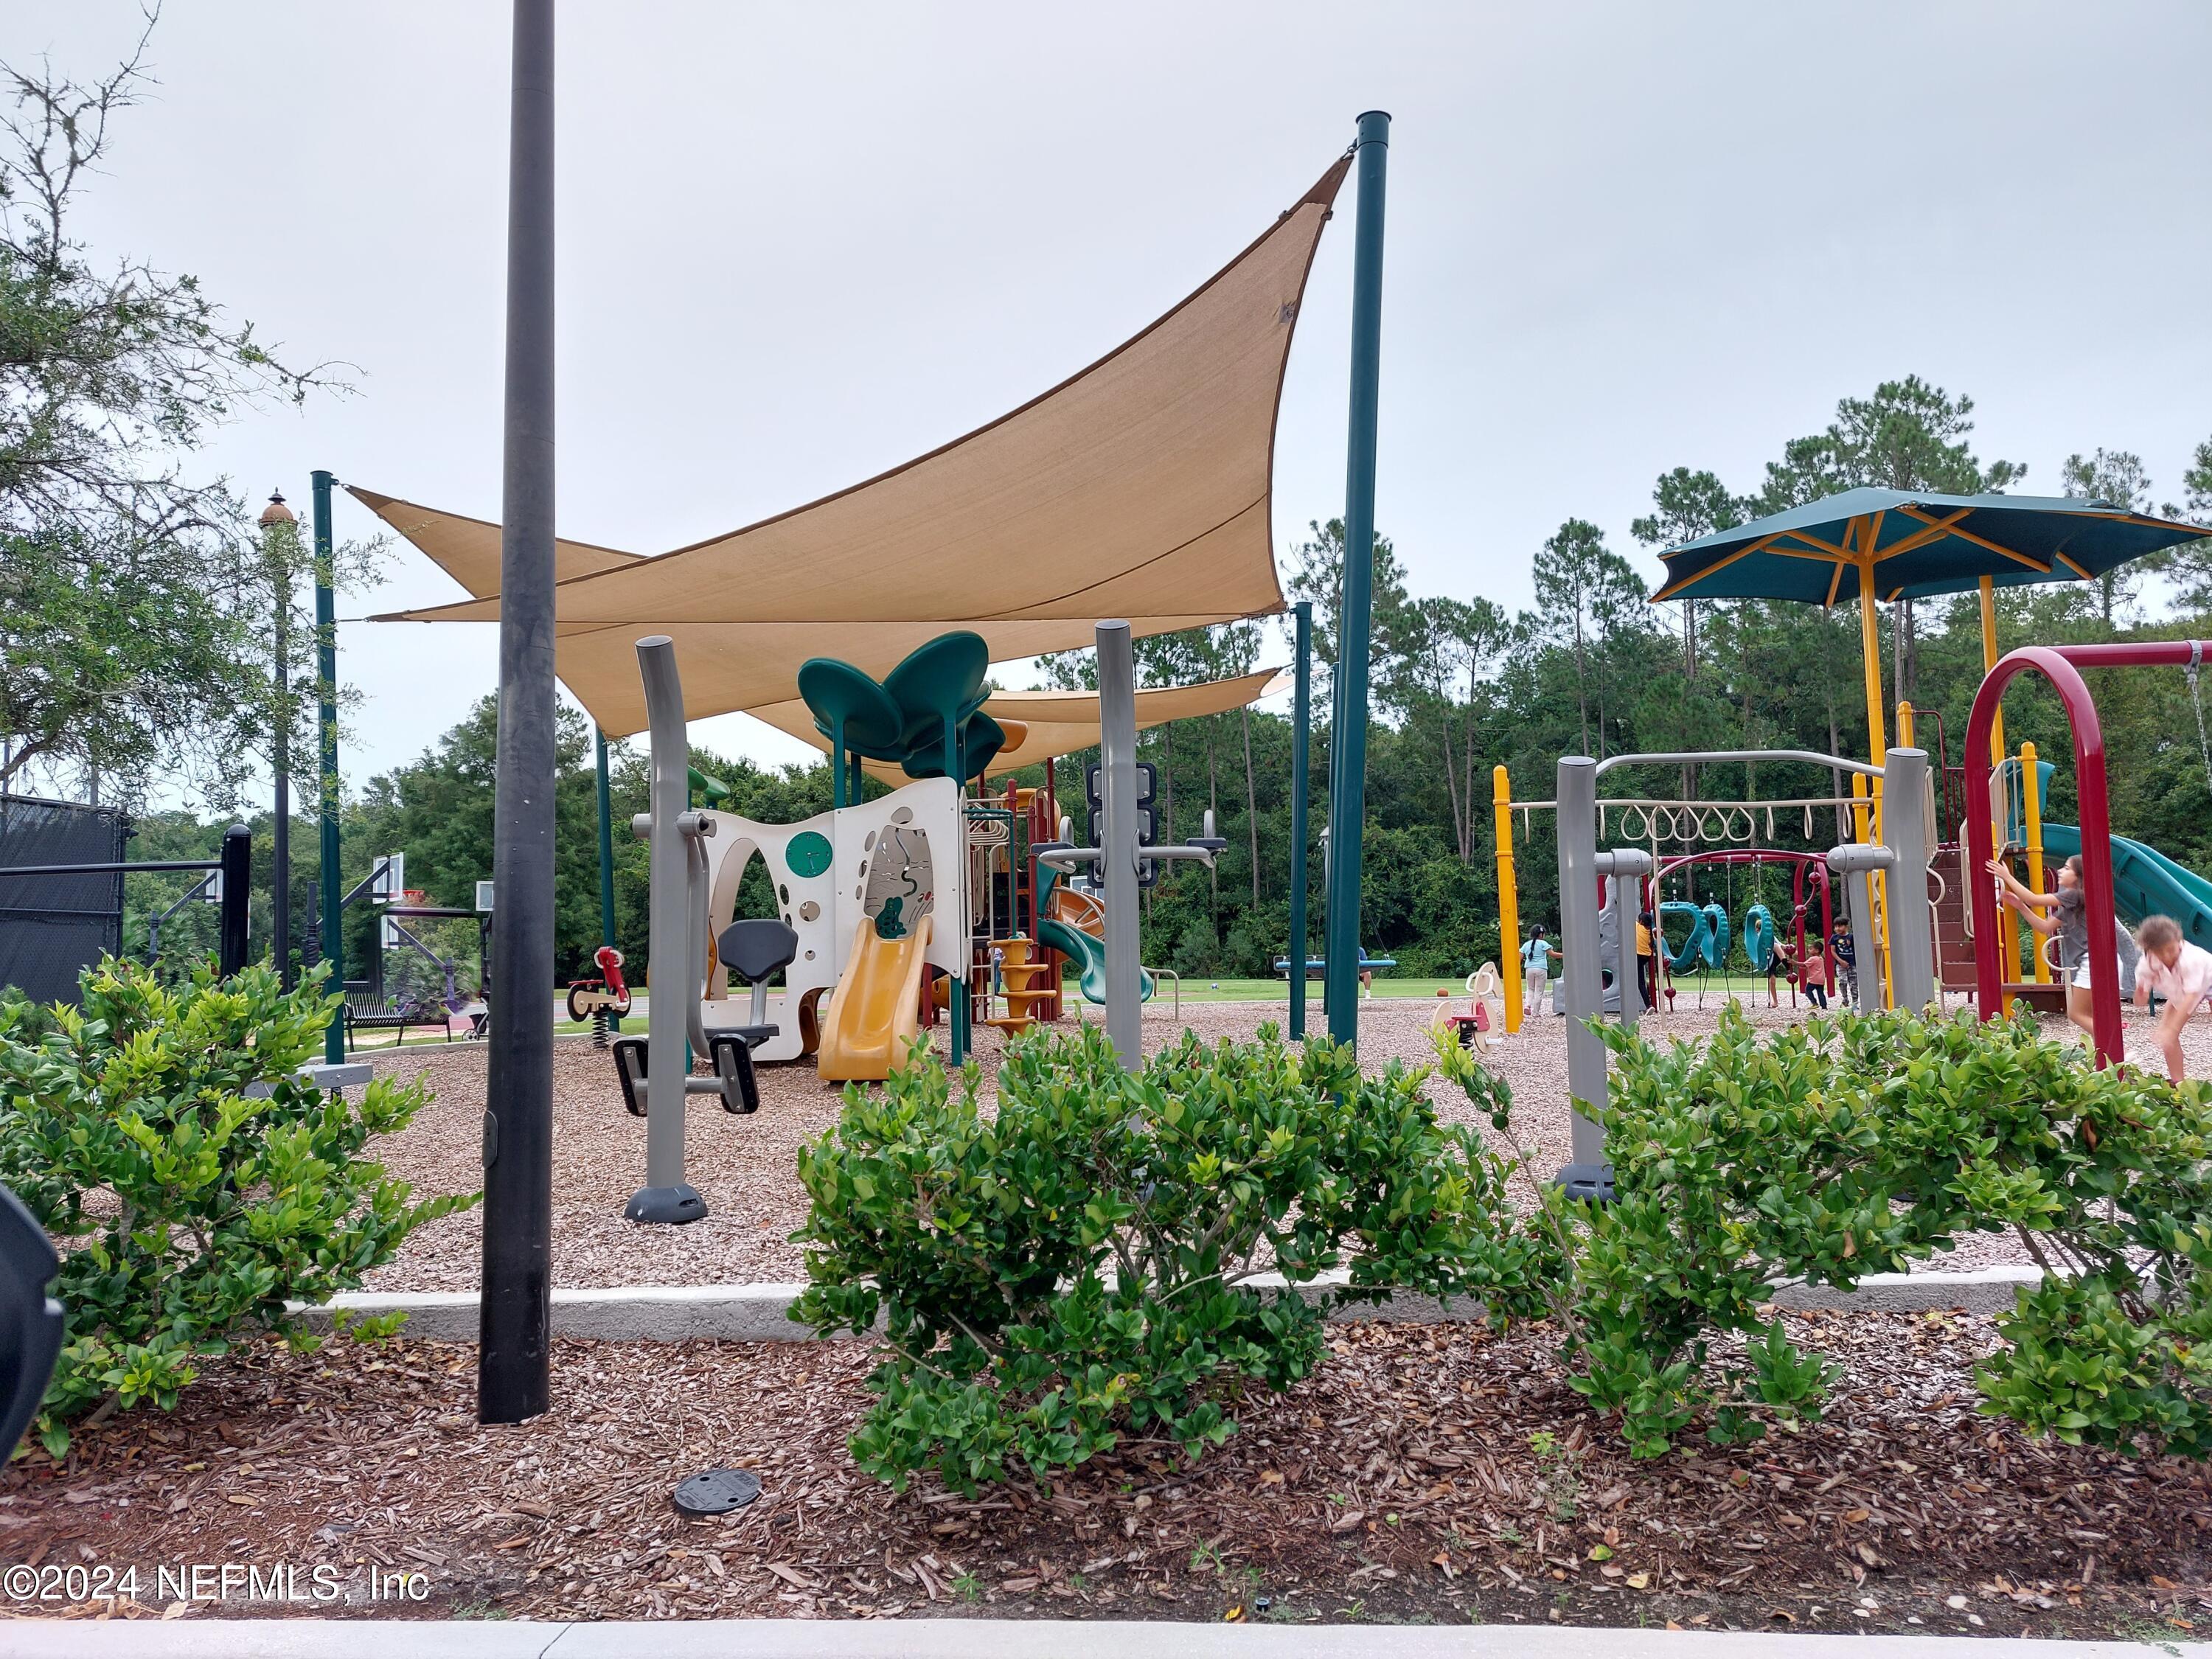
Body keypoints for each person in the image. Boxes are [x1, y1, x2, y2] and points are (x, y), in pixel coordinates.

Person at [1986, 854, 2140, 1044]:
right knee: (2091, 1015)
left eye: (2067, 868)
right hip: (2102, 962)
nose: (2060, 871)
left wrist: (2007, 877)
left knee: (2076, 1014)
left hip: (2095, 962)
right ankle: (2105, 1057)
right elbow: (2044, 927)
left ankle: (2114, 1045)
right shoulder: (2072, 904)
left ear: (2079, 876)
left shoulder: (2076, 895)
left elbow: (2034, 899)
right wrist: (2020, 906)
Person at [2132, 914, 2212, 1083]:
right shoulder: (2147, 963)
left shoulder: (2191, 959)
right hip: (2181, 992)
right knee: (2167, 1039)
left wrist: (2172, 1029)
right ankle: (2178, 1083)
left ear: (2179, 940)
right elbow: (2140, 1001)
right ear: (2150, 950)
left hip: (2206, 982)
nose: (2167, 956)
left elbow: (2191, 998)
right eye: (2160, 952)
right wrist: (2141, 993)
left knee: (2170, 1032)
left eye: (2170, 949)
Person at [1520, 927, 1552, 1016]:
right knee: (1539, 991)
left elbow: (1519, 957)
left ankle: (1527, 1005)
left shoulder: (1526, 944)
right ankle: (1535, 1013)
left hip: (1529, 969)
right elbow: (1552, 954)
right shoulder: (1543, 943)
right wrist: (1565, 954)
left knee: (1530, 989)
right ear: (1541, 934)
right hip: (1541, 969)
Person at [1801, 935, 1831, 1009]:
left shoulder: (1813, 958)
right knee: (1820, 992)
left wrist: (1794, 962)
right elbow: (1809, 966)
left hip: (1814, 979)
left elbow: (1803, 964)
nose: (1809, 950)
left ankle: (1814, 1002)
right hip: (1821, 979)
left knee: (1808, 990)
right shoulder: (1820, 958)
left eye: (1811, 949)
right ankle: (1824, 1006)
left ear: (1817, 950)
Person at [1635, 910, 1658, 1009]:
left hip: (1638, 956)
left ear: (1641, 922)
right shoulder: (1649, 932)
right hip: (1646, 957)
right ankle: (1648, 1004)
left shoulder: (1637, 927)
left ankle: (1648, 1005)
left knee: (1640, 982)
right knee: (1641, 980)